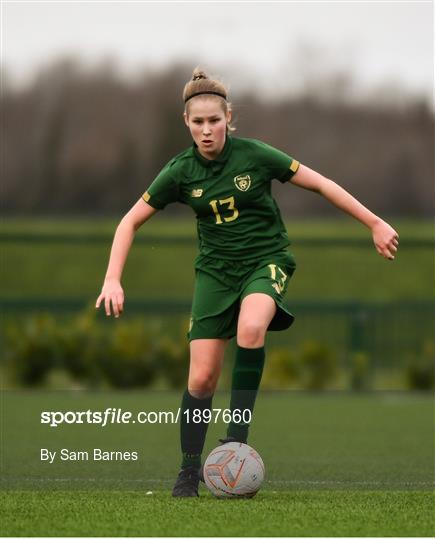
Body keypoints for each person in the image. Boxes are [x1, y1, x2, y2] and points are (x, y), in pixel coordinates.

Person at [96, 68, 399, 497]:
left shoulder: (255, 155)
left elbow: (321, 184)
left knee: (251, 329)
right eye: (197, 122)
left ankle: (236, 441)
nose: (206, 131)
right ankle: (188, 471)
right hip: (215, 274)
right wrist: (113, 278)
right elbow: (129, 222)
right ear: (186, 123)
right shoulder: (180, 172)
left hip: (265, 261)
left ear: (228, 118)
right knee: (201, 379)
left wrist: (374, 222)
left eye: (214, 121)